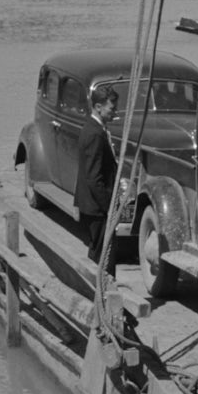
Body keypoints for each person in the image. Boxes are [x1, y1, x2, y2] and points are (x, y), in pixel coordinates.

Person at [74, 89, 119, 275]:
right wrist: (109, 207)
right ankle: (101, 293)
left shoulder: (93, 129)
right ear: (99, 107)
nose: (115, 112)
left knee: (98, 250)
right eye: (112, 108)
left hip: (91, 204)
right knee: (103, 254)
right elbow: (94, 178)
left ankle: (96, 291)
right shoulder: (95, 135)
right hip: (97, 207)